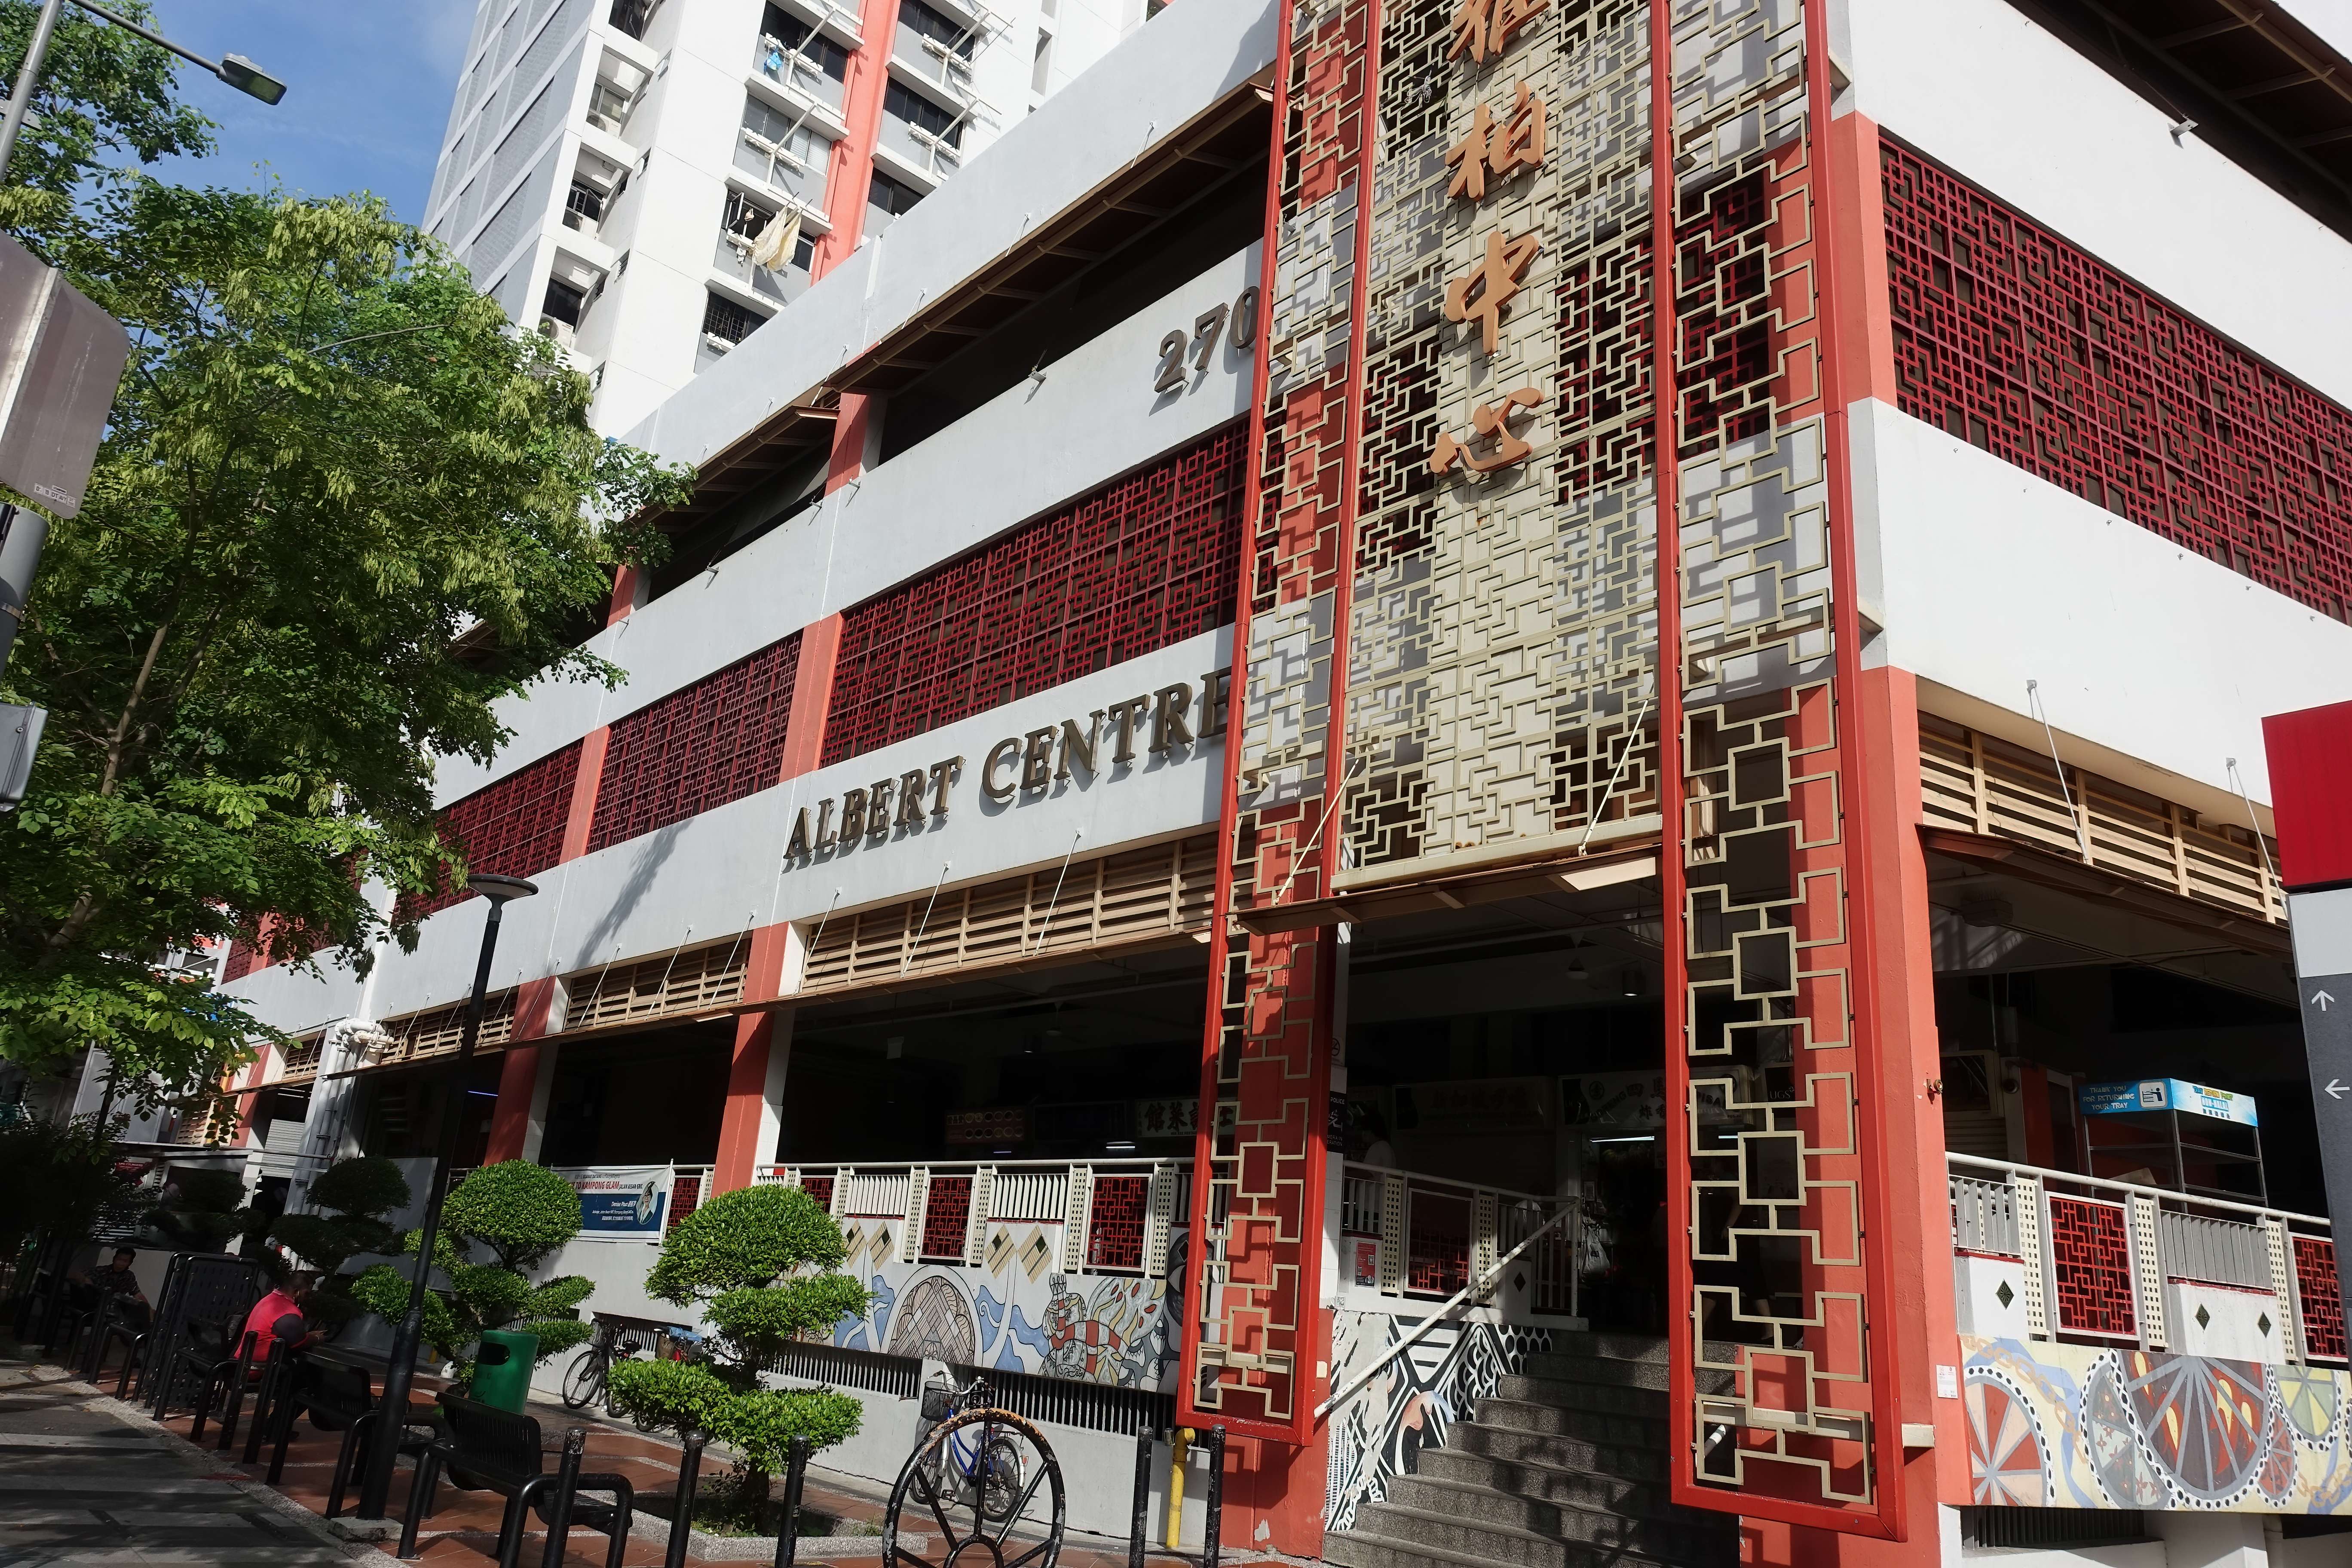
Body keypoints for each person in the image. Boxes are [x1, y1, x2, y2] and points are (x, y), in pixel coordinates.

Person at [241, 1271, 321, 1369]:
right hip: (258, 1369)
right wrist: (318, 1338)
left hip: (245, 1364)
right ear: (296, 1292)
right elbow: (299, 1343)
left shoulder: (269, 1299)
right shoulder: (287, 1311)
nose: (307, 1297)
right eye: (307, 1293)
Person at [81, 1246, 152, 1328]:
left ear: (130, 1263)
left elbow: (137, 1294)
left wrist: (149, 1311)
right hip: (95, 1308)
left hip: (115, 1312)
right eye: (119, 1259)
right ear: (114, 1259)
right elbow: (79, 1275)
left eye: (125, 1261)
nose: (121, 1263)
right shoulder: (102, 1271)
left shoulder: (128, 1276)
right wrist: (87, 1282)